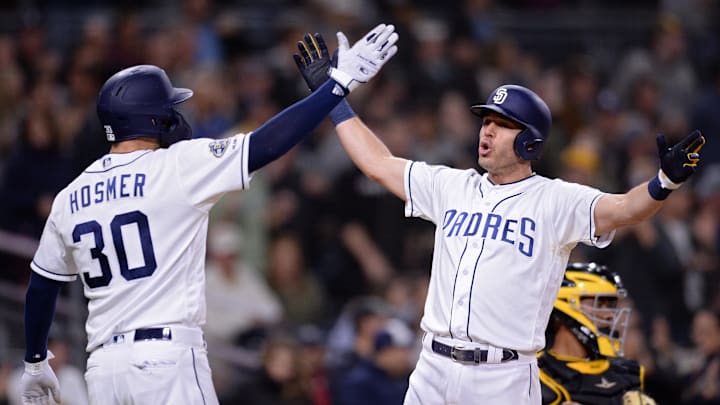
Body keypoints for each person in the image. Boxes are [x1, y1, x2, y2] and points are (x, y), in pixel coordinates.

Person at [292, 33, 706, 404]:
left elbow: (625, 209)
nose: (486, 131)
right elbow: (377, 164)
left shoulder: (554, 199)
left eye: (501, 124)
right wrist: (333, 97)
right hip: (433, 368)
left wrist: (663, 181)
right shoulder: (452, 185)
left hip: (502, 378)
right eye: (485, 121)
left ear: (529, 141)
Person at [20, 23, 399, 405]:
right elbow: (266, 144)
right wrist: (337, 85)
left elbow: (42, 284)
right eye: (168, 109)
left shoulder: (70, 195)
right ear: (151, 119)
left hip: (103, 372)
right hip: (165, 360)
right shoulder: (177, 165)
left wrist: (35, 363)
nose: (174, 115)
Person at [538, 262, 656, 405]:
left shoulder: (627, 373)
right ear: (566, 304)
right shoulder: (534, 373)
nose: (609, 315)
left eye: (610, 306)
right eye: (598, 305)